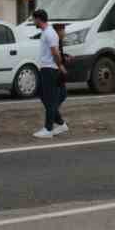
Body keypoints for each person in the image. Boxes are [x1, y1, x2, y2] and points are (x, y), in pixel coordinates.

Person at [32, 8, 67, 138]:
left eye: (34, 19)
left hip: (50, 69)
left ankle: (48, 129)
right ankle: (61, 124)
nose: (33, 22)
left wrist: (60, 66)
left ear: (38, 19)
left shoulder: (50, 33)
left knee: (50, 100)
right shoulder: (46, 32)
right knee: (44, 97)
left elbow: (55, 52)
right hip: (45, 69)